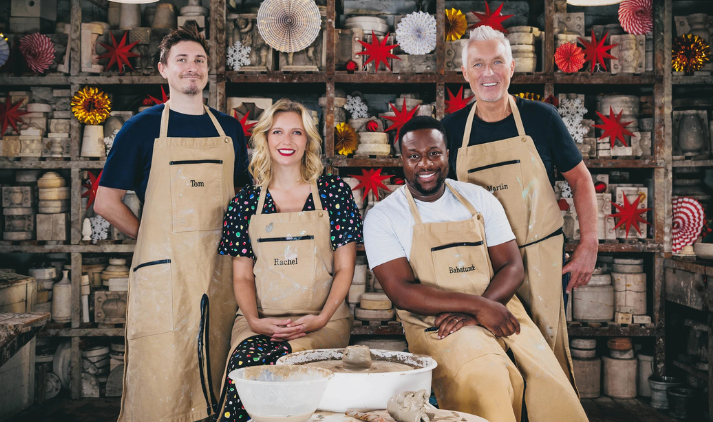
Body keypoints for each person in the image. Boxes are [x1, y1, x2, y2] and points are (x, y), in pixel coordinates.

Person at [364, 116, 588, 422]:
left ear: (448, 154)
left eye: (434, 153)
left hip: (501, 305)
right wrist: (478, 307)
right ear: (401, 160)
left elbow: (512, 266)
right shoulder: (384, 217)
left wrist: (482, 309)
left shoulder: (478, 198)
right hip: (437, 323)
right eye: (414, 156)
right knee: (487, 376)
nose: (425, 164)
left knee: (551, 384)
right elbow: (402, 292)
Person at [93, 23, 250, 422]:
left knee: (217, 361)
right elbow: (106, 201)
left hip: (220, 267)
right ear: (164, 69)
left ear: (208, 70)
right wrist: (152, 238)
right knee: (162, 370)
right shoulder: (141, 129)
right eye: (181, 60)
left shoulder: (229, 129)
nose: (191, 67)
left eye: (199, 60)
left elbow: (242, 198)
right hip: (164, 271)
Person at [440, 25, 599, 382]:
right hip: (480, 267)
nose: (488, 73)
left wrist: (589, 242)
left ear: (512, 68)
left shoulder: (542, 118)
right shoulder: (450, 129)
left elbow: (580, 179)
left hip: (540, 260)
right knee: (489, 358)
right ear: (464, 73)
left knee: (544, 359)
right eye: (478, 65)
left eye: (497, 62)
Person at [217, 99, 362, 422]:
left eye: (296, 132)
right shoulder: (245, 202)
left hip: (321, 321)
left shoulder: (333, 193)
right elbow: (241, 277)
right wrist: (255, 322)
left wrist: (322, 318)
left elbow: (345, 268)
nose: (287, 141)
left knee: (281, 363)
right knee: (246, 367)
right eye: (278, 132)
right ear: (265, 139)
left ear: (308, 140)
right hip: (260, 321)